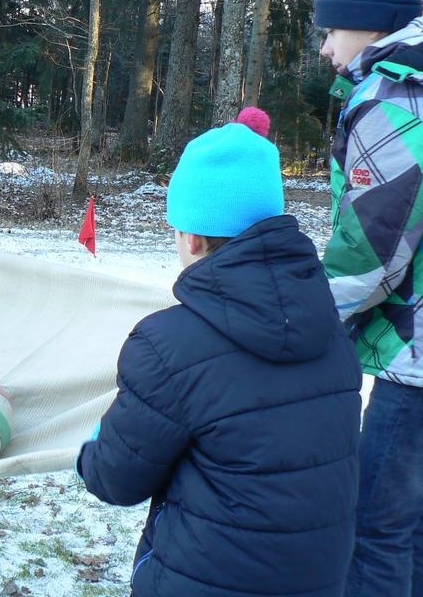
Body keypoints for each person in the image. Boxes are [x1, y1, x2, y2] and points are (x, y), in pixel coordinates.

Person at [76, 109, 363, 596]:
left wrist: (93, 441)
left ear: (190, 235)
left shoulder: (168, 345)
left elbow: (114, 478)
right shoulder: (331, 330)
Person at [314, 0, 423, 597]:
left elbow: (371, 256)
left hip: (420, 360)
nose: (327, 48)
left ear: (366, 21)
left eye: (330, 29)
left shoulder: (400, 102)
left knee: (376, 528)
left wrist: (302, 316)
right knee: (414, 521)